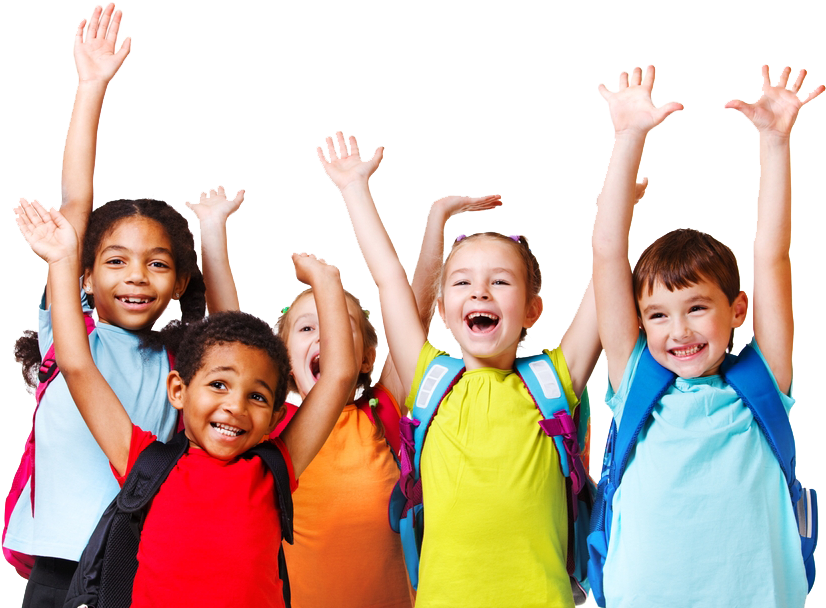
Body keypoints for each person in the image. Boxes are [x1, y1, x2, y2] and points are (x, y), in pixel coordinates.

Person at [4, 6, 241, 606]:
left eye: (157, 264)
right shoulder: (70, 336)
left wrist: (212, 233)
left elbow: (234, 330)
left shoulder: (182, 360)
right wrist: (91, 86)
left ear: (180, 278)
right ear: (81, 271)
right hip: (57, 566)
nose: (136, 277)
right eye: (115, 261)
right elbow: (76, 202)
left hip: (137, 559)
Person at [14, 197, 360, 606]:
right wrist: (61, 260)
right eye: (218, 386)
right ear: (178, 390)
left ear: (276, 416)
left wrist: (326, 282)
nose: (235, 406)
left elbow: (339, 377)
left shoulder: (273, 470)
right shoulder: (146, 463)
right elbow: (77, 366)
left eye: (257, 396)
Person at [316, 130, 603, 608]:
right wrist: (353, 189)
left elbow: (606, 272)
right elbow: (388, 278)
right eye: (464, 282)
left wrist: (621, 180)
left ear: (533, 309)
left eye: (500, 281)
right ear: (444, 309)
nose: (480, 292)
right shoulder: (429, 380)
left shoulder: (555, 380)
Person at [591, 64, 823, 608]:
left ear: (738, 309)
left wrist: (774, 142)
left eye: (697, 308)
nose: (680, 331)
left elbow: (771, 258)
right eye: (659, 315)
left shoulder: (760, 382)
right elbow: (605, 255)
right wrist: (628, 137)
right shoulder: (636, 380)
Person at [274, 193, 501, 608]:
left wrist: (436, 222)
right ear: (285, 358)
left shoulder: (381, 411)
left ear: (365, 357)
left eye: (341, 327)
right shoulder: (273, 427)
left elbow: (411, 315)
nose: (326, 336)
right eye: (308, 328)